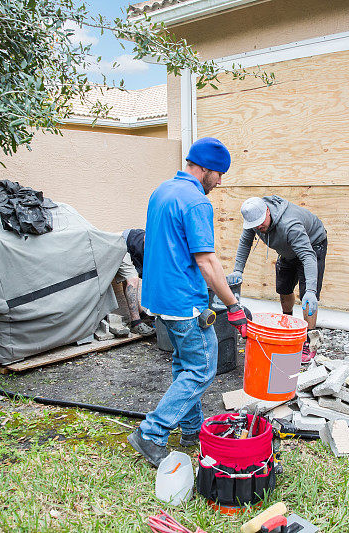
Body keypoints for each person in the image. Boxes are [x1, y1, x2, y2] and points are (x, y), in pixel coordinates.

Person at [127, 137, 248, 467]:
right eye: (219, 174)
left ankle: (192, 431)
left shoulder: (162, 191)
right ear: (205, 169)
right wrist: (233, 307)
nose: (220, 181)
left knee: (185, 364)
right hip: (184, 303)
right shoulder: (196, 202)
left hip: (157, 299)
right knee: (202, 369)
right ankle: (151, 433)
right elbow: (207, 262)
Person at [228, 196, 327, 363]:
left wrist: (311, 290)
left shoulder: (290, 225)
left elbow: (308, 256)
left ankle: (308, 340)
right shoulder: (254, 219)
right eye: (255, 226)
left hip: (312, 245)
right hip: (288, 250)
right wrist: (238, 270)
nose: (259, 227)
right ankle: (286, 323)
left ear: (267, 211)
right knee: (284, 289)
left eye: (261, 223)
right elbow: (245, 243)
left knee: (307, 297)